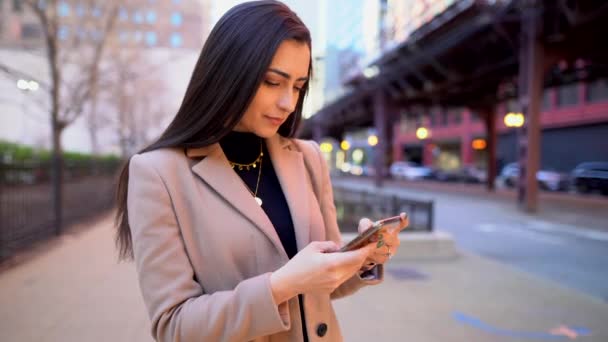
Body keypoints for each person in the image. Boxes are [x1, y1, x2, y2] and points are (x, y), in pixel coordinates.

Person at [114, 1, 408, 341]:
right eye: (272, 82)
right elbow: (174, 326)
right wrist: (282, 285)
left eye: (297, 87)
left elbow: (324, 287)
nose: (288, 103)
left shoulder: (307, 157)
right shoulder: (158, 174)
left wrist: (362, 259)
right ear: (227, 75)